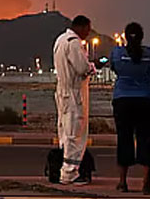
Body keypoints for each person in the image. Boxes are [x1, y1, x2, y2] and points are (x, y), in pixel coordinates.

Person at [109, 22, 150, 194]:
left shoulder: (117, 53)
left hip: (123, 100)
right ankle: (146, 183)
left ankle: (122, 182)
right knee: (146, 140)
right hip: (145, 100)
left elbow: (114, 68)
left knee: (124, 139)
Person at [53, 14, 96, 185]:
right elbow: (81, 67)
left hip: (62, 91)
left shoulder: (60, 40)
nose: (88, 32)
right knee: (75, 133)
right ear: (81, 27)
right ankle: (69, 172)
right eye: (88, 29)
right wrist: (92, 67)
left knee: (65, 131)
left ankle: (65, 167)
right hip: (74, 93)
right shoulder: (74, 43)